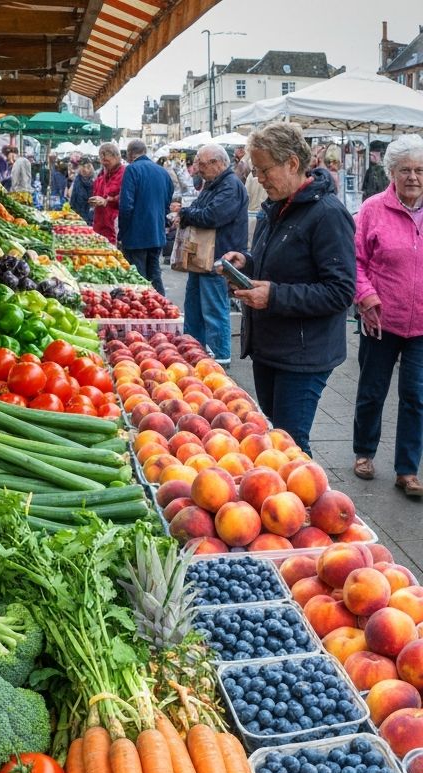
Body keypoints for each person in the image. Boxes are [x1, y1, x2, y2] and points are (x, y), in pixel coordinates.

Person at [222, 121, 356, 457]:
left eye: (264, 170)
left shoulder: (327, 215)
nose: (259, 179)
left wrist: (274, 295)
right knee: (273, 436)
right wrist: (247, 263)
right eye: (256, 170)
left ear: (292, 163)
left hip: (303, 353)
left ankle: (304, 508)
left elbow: (341, 291)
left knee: (289, 445)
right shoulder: (278, 206)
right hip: (271, 345)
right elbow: (283, 263)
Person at [351, 133, 423, 497]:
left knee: (416, 395)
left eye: (420, 170)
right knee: (372, 389)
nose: (413, 177)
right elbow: (357, 261)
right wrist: (365, 296)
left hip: (422, 325)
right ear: (392, 173)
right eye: (406, 170)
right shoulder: (373, 209)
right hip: (380, 319)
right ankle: (364, 452)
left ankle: (407, 470)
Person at [178, 144, 248, 366]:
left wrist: (186, 214)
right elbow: (200, 209)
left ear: (217, 163)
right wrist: (188, 212)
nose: (197, 168)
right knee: (194, 310)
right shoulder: (213, 184)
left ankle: (221, 359)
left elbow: (212, 216)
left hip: (219, 259)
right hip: (202, 260)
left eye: (201, 163)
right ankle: (193, 352)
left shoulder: (230, 186)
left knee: (215, 312)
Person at [117, 139, 174, 295]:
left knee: (138, 278)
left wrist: (122, 232)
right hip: (156, 233)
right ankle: (163, 309)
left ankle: (144, 312)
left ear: (129, 154)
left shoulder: (132, 170)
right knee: (155, 275)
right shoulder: (163, 172)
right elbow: (167, 202)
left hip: (136, 235)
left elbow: (125, 206)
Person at [90, 142, 124, 244]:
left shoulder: (125, 174)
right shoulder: (101, 175)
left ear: (117, 157)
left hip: (114, 227)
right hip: (99, 224)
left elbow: (127, 198)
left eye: (107, 160)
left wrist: (107, 201)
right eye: (102, 160)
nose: (104, 163)